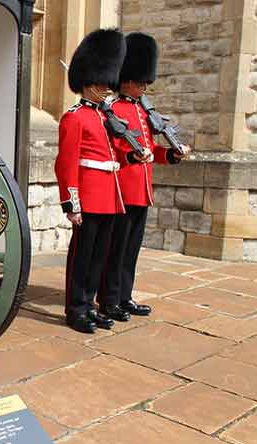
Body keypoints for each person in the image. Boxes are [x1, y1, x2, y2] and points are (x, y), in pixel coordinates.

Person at [98, 32, 191, 319]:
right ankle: (108, 301)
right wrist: (130, 157)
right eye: (141, 82)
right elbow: (109, 152)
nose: (144, 87)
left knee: (131, 251)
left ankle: (124, 297)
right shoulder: (112, 109)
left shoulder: (143, 111)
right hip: (122, 191)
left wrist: (172, 154)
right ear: (126, 80)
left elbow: (151, 150)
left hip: (141, 192)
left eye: (146, 82)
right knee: (115, 250)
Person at [55, 28, 130, 334]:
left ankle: (90, 306)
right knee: (82, 258)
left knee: (99, 257)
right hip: (87, 196)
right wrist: (71, 202)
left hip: (109, 196)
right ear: (88, 84)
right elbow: (66, 164)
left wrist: (131, 158)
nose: (107, 91)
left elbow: (112, 157)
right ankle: (76, 309)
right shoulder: (74, 117)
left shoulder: (103, 117)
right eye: (102, 86)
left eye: (108, 86)